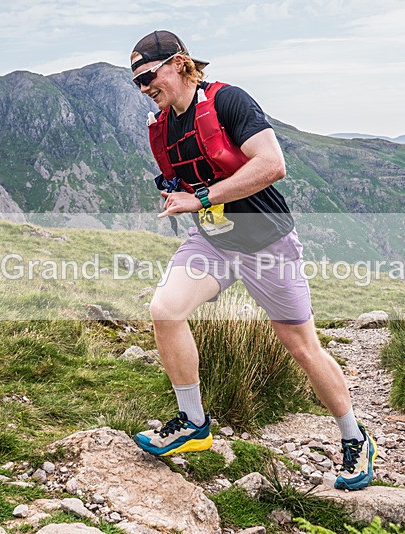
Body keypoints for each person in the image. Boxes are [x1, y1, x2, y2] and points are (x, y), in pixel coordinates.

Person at [128, 30, 377, 490]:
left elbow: (271, 165)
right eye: (137, 82)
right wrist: (173, 194)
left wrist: (200, 197)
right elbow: (179, 180)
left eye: (148, 76)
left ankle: (355, 438)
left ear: (179, 63)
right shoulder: (160, 127)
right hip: (215, 245)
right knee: (164, 310)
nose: (144, 88)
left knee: (302, 348)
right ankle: (193, 424)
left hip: (267, 245)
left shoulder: (230, 101)